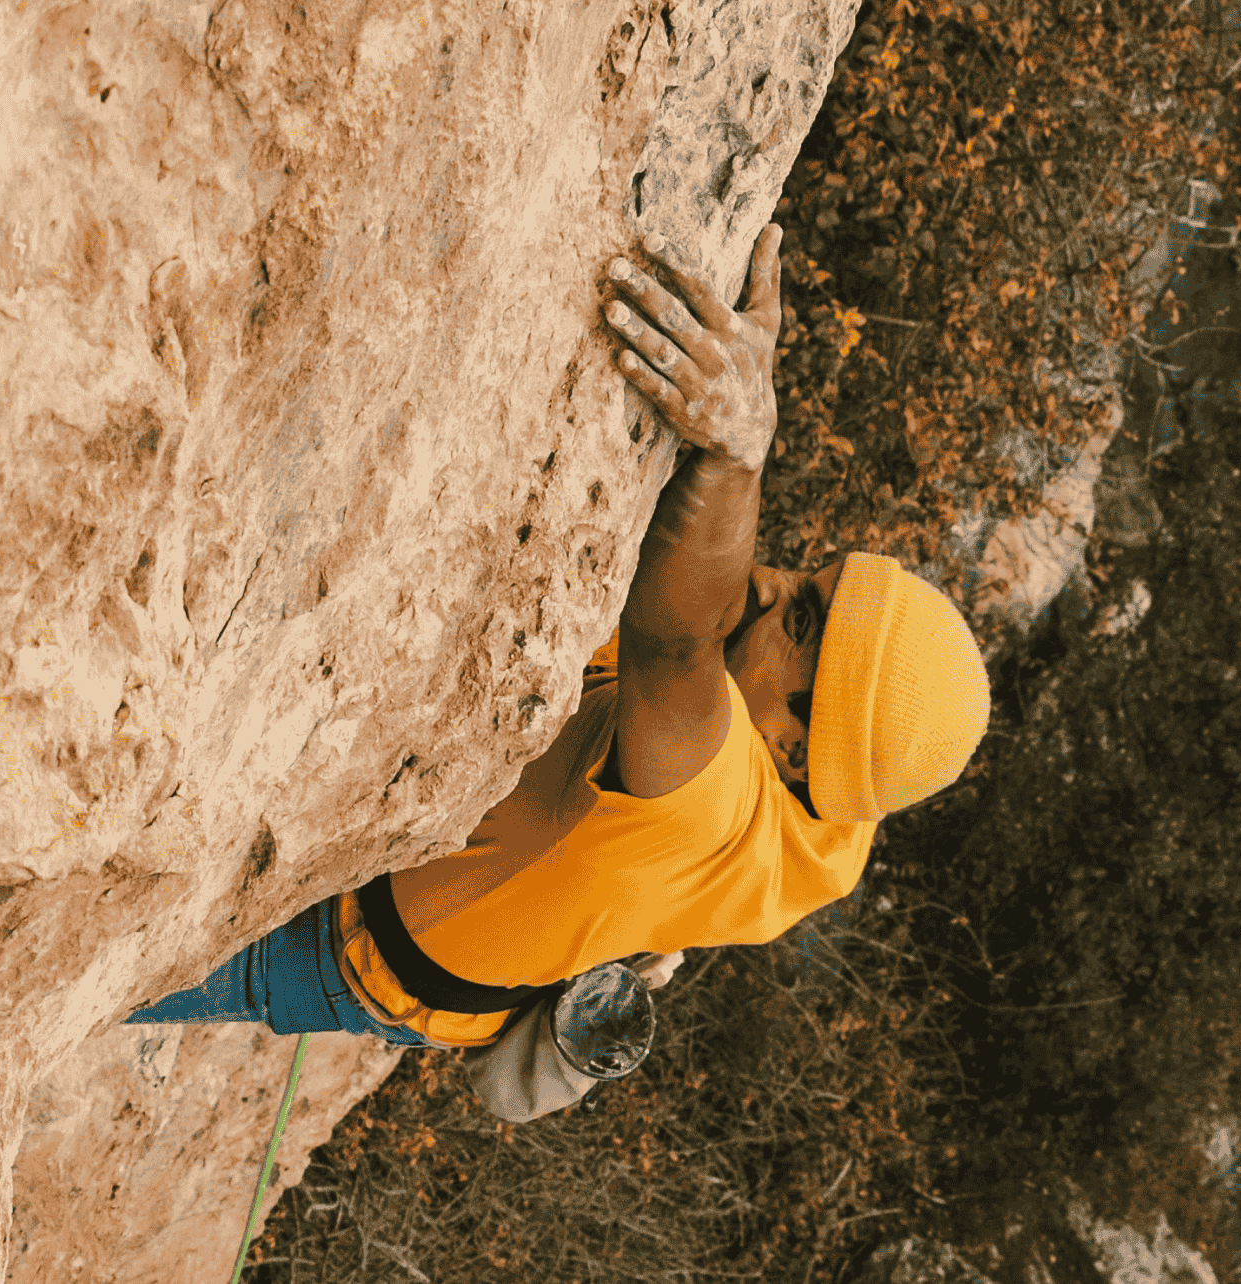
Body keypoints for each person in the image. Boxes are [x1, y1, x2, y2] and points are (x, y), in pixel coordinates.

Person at [123, 223, 991, 1121]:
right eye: (807, 582)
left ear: (795, 749)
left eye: (798, 622)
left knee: (104, 960)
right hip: (388, 878)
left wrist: (737, 451)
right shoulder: (845, 800)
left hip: (338, 947)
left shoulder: (710, 812)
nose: (770, 585)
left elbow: (676, 643)